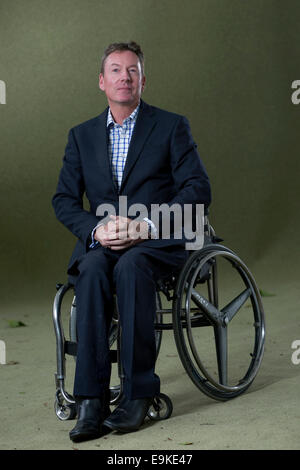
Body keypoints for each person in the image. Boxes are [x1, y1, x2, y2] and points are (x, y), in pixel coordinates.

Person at [52, 41, 211, 443]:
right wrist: (96, 229)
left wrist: (148, 226)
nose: (125, 77)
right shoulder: (81, 136)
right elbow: (64, 200)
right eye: (117, 70)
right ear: (102, 81)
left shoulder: (171, 126)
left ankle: (139, 393)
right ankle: (90, 400)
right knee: (90, 269)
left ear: (143, 80)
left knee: (132, 266)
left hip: (159, 240)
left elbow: (198, 188)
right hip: (105, 240)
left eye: (133, 71)